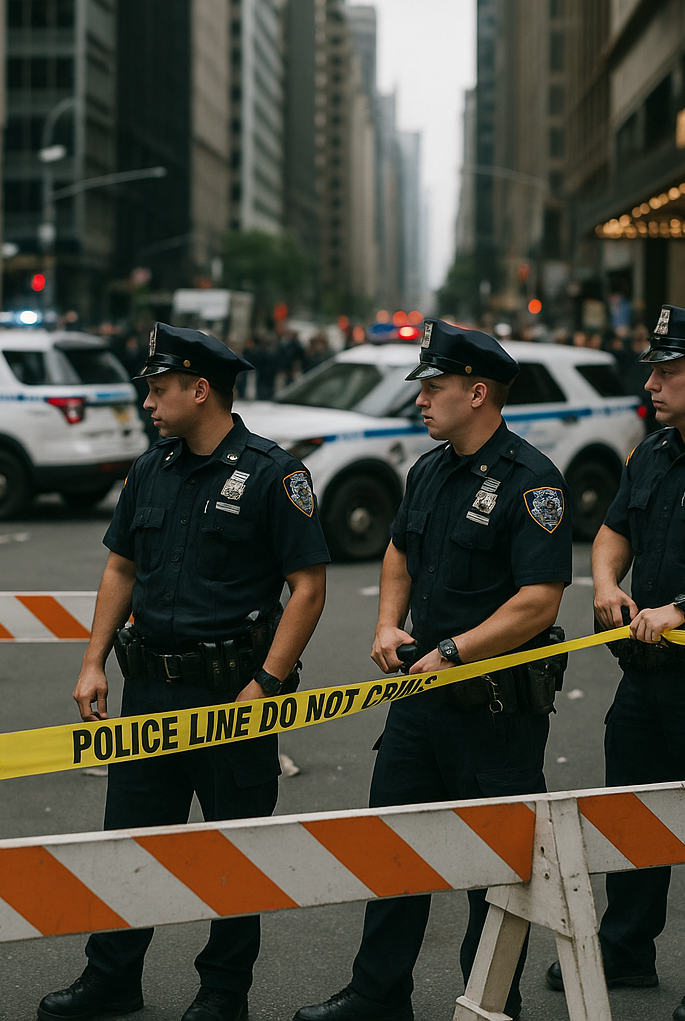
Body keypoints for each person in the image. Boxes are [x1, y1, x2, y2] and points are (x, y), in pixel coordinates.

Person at [38, 323, 329, 1021]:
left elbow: (309, 586)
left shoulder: (272, 474)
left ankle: (224, 992)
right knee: (131, 841)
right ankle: (112, 977)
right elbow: (121, 567)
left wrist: (266, 684)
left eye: (159, 389)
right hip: (149, 689)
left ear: (201, 390)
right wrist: (92, 661)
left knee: (234, 852)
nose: (148, 403)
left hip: (232, 695)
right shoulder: (151, 469)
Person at [295, 320, 572, 1021]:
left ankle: (491, 1002)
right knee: (393, 850)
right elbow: (399, 552)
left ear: (477, 394)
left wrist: (454, 650)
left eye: (434, 387)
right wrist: (388, 623)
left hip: (493, 713)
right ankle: (377, 994)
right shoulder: (428, 469)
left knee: (494, 875)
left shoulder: (532, 480)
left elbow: (539, 601)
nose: (419, 399)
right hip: (419, 705)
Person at [545, 305, 685, 1021]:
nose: (651, 383)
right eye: (652, 371)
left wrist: (683, 609)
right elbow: (613, 529)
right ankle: (626, 948)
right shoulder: (651, 452)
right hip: (647, 678)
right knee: (631, 818)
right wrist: (606, 584)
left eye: (667, 372)